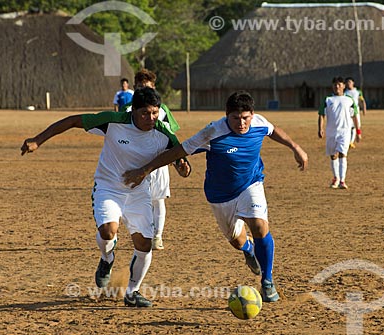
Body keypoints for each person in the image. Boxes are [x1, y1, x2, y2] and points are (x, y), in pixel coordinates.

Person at [123, 91, 308, 302]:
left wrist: (296, 147)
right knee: (237, 241)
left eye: (245, 118)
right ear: (226, 115)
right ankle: (248, 249)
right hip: (220, 195)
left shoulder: (259, 123)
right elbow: (180, 150)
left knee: (259, 225)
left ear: (252, 115)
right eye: (235, 118)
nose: (241, 123)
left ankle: (267, 281)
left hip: (251, 184)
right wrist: (146, 169)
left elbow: (274, 131)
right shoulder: (213, 132)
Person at [21, 87, 191, 307]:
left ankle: (132, 292)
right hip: (108, 187)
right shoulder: (113, 121)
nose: (151, 118)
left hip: (139, 192)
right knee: (108, 231)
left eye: (155, 113)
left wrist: (183, 167)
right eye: (145, 113)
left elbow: (179, 155)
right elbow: (73, 121)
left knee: (144, 244)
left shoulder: (163, 133)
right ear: (134, 111)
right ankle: (107, 259)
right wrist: (38, 139)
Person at [123, 69, 184, 250]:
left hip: (158, 162)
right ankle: (141, 233)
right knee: (130, 198)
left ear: (154, 88)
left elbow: (170, 133)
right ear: (135, 88)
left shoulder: (162, 109)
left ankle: (157, 236)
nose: (144, 91)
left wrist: (175, 159)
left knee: (158, 200)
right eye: (140, 88)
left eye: (147, 88)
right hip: (134, 161)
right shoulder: (127, 108)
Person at [318, 77, 361, 190]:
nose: (337, 87)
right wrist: (320, 128)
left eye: (339, 84)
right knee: (333, 155)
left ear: (343, 86)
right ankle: (336, 178)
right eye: (335, 85)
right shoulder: (328, 100)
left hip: (345, 131)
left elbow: (354, 116)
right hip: (331, 132)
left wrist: (358, 131)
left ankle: (342, 180)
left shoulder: (349, 100)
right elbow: (321, 115)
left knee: (343, 154)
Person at [344, 77, 367, 149]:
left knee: (355, 125)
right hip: (347, 111)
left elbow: (362, 101)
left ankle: (351, 141)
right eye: (347, 82)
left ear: (353, 83)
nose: (349, 84)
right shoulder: (345, 93)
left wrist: (364, 109)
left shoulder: (358, 92)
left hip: (355, 110)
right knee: (349, 126)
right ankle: (349, 141)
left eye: (350, 82)